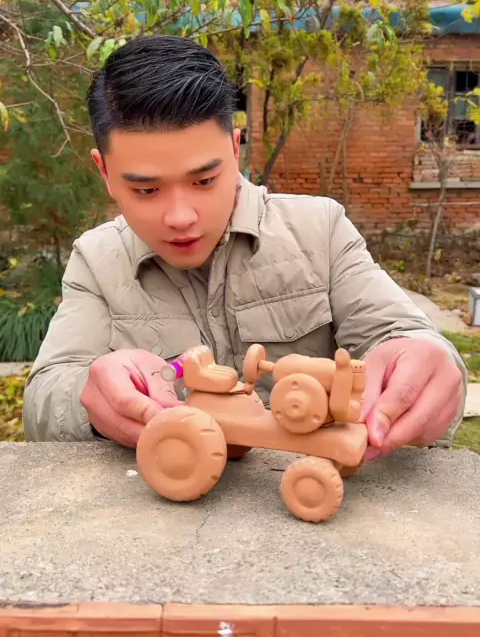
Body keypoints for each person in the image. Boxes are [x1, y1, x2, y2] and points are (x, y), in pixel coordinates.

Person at [23, 35, 466, 461]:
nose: (180, 216)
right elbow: (45, 399)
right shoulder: (97, 260)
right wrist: (91, 399)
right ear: (104, 172)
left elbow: (402, 335)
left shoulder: (320, 230)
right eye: (146, 190)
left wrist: (424, 364)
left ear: (235, 149)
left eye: (204, 180)